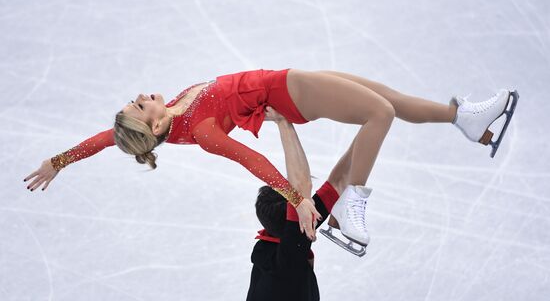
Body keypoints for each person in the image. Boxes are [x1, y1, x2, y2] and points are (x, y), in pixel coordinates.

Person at [23, 68, 518, 243]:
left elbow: (107, 139)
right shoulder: (200, 128)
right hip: (288, 92)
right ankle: (352, 203)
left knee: (387, 98)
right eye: (140, 104)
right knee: (380, 114)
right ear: (154, 125)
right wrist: (295, 197)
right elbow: (249, 161)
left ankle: (464, 118)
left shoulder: (158, 122)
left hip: (286, 77)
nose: (140, 95)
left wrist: (58, 162)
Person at [248, 106, 345, 301]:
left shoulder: (270, 245)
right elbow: (329, 183)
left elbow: (333, 185)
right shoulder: (292, 245)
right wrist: (283, 122)